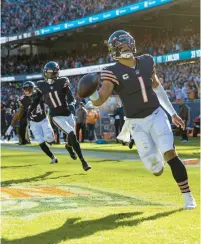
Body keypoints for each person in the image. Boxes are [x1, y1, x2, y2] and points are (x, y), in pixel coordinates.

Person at [87, 30, 196, 209]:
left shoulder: (146, 61)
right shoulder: (112, 71)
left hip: (156, 115)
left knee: (171, 153)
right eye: (121, 46)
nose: (126, 48)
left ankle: (188, 198)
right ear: (114, 49)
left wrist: (172, 113)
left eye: (128, 44)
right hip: (136, 123)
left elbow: (157, 88)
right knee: (156, 169)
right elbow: (101, 98)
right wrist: (90, 93)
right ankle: (156, 158)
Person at [28, 61, 91, 171]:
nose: (48, 75)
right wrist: (30, 110)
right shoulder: (40, 85)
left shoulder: (63, 81)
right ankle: (83, 161)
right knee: (71, 133)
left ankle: (68, 146)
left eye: (50, 73)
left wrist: (72, 105)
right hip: (56, 115)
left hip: (67, 113)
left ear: (56, 73)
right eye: (47, 73)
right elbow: (37, 99)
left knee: (72, 137)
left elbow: (71, 97)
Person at [5, 81, 58, 164]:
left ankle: (50, 140)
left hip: (43, 119)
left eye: (29, 89)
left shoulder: (40, 94)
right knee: (40, 141)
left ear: (33, 89)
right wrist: (11, 126)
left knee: (49, 138)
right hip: (33, 123)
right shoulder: (23, 99)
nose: (27, 91)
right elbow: (19, 113)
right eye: (25, 89)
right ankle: (53, 158)